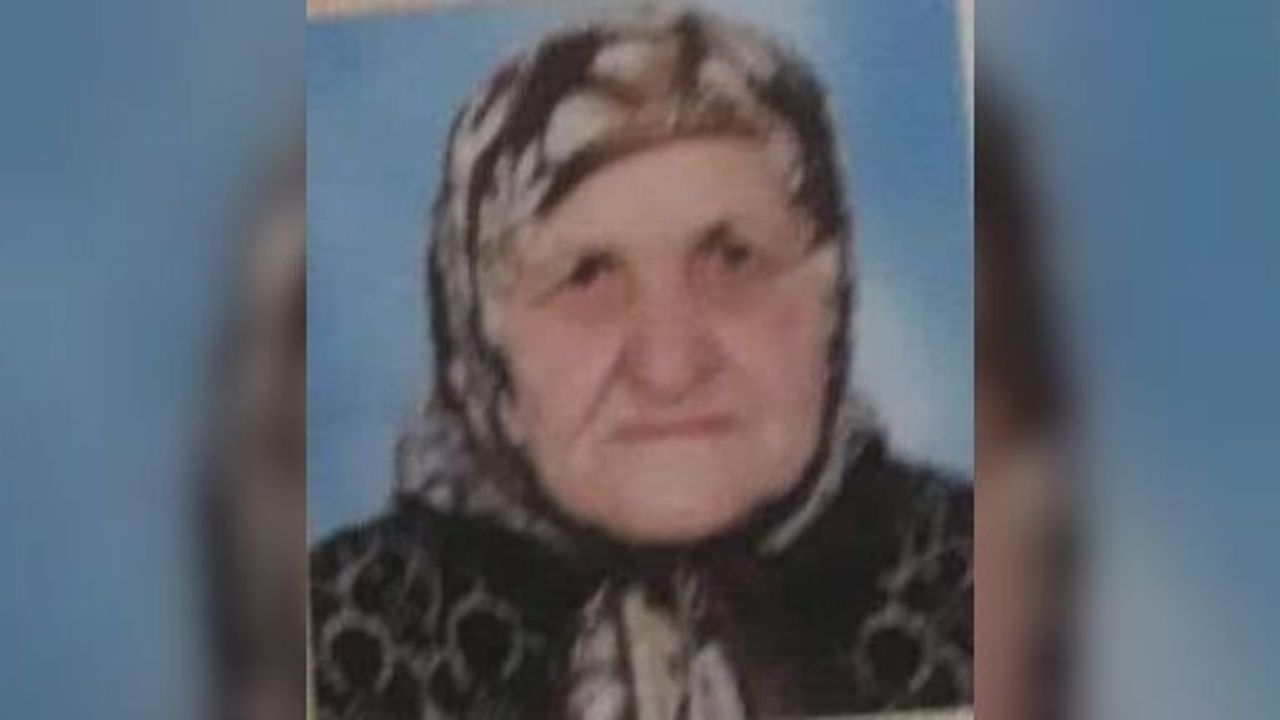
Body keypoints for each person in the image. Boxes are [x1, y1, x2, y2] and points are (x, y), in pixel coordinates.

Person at [311, 9, 972, 719]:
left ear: (831, 302)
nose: (669, 367)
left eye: (734, 259)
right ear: (485, 347)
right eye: (588, 276)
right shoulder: (338, 635)